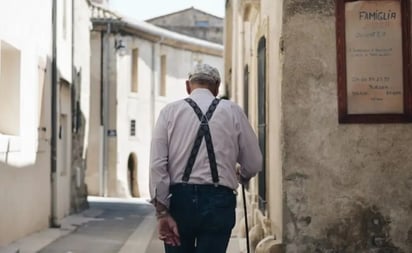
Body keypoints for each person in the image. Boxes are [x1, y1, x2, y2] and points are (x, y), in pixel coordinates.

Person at [149, 63, 262, 253]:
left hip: (180, 201)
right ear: (217, 87)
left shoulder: (169, 112)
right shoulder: (233, 111)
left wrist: (162, 213)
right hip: (219, 201)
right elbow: (254, 162)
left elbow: (157, 166)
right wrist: (240, 176)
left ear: (188, 86)